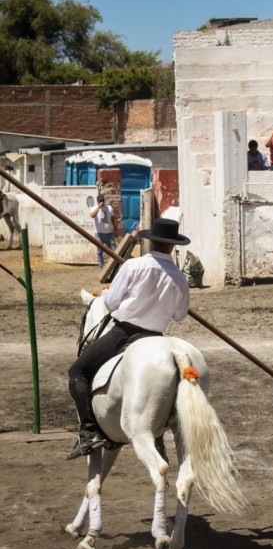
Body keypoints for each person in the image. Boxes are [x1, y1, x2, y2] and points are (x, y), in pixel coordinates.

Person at [66, 218, 191, 459]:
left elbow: (111, 303)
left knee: (77, 372)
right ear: (173, 246)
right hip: (156, 336)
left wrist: (132, 302)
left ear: (151, 241)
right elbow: (179, 315)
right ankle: (157, 437)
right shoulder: (179, 276)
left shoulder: (134, 266)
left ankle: (90, 432)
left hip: (125, 332)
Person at [89, 193, 118, 269]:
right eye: (100, 201)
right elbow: (92, 215)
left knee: (114, 249)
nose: (101, 202)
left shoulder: (109, 208)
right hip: (99, 233)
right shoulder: (94, 208)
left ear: (104, 200)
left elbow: (113, 218)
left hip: (109, 233)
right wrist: (98, 207)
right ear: (97, 202)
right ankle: (101, 266)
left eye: (102, 200)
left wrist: (115, 228)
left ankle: (115, 266)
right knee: (99, 251)